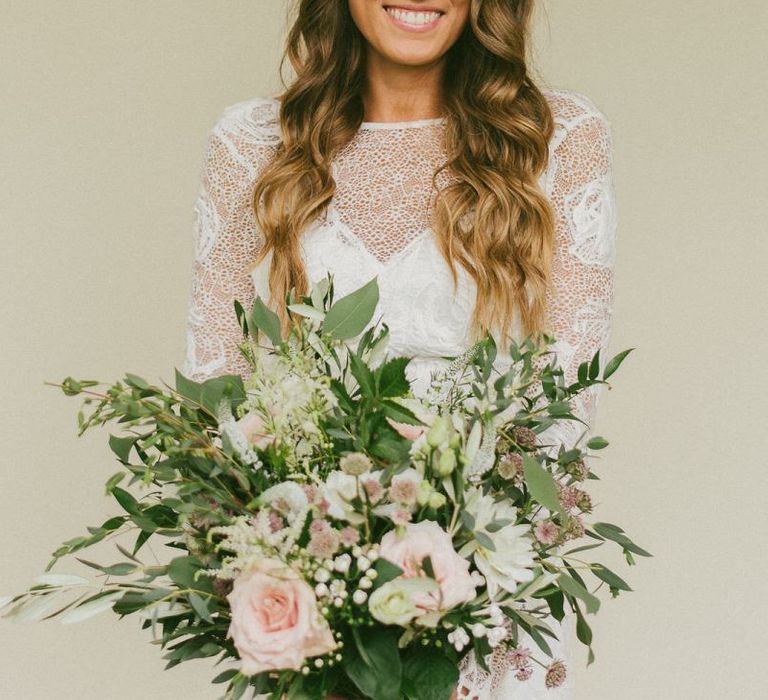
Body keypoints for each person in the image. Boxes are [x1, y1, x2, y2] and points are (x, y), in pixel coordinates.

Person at [182, 1, 618, 698]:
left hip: (487, 583)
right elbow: (219, 385)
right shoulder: (251, 145)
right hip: (317, 587)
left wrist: (455, 558)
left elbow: (563, 401)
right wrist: (314, 564)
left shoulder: (557, 138)